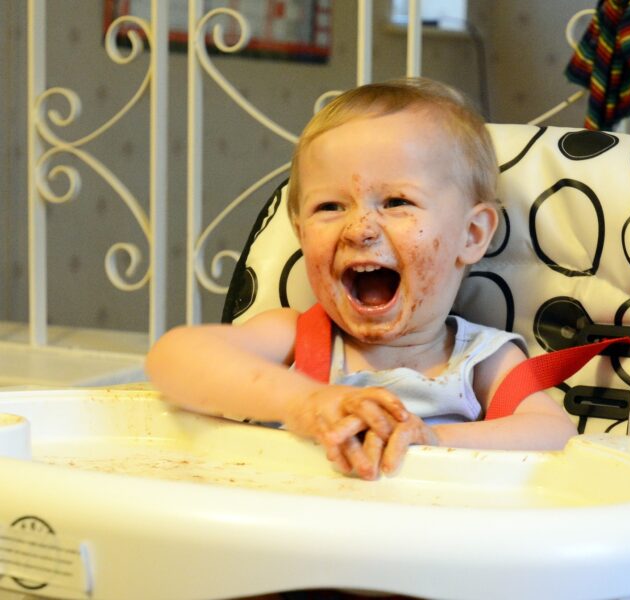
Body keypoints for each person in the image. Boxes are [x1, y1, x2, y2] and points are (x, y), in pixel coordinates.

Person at [145, 78, 577, 481]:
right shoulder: (296, 339)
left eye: (396, 201)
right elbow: (172, 360)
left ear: (472, 234)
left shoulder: (481, 361)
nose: (360, 229)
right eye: (330, 207)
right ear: (299, 232)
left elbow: (556, 436)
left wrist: (432, 442)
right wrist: (304, 402)